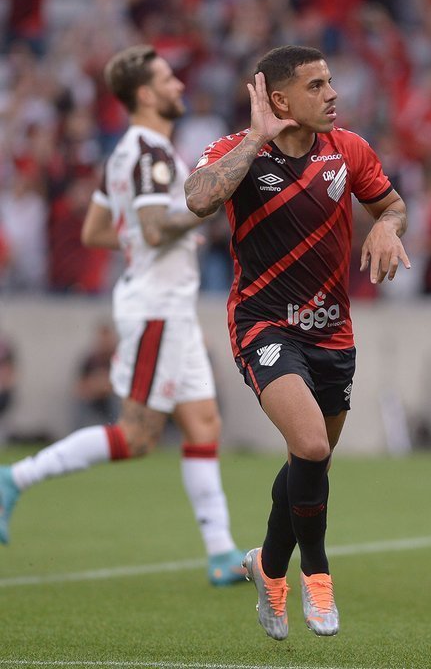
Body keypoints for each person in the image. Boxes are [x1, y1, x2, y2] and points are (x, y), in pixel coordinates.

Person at [184, 45, 410, 640]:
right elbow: (200, 198)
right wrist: (255, 138)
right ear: (280, 100)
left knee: (309, 462)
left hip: (332, 332)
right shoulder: (237, 152)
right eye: (316, 85)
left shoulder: (349, 150)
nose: (332, 93)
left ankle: (266, 566)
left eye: (331, 81)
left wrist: (386, 226)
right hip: (263, 324)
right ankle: (317, 574)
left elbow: (392, 204)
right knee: (310, 445)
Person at [0, 45, 247, 587]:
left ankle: (221, 552)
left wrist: (146, 234)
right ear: (144, 94)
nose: (179, 85)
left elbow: (95, 231)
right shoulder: (151, 155)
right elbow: (157, 228)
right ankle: (15, 477)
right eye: (167, 79)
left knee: (204, 423)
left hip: (169, 306)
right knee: (135, 437)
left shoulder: (127, 151)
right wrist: (197, 218)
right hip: (156, 308)